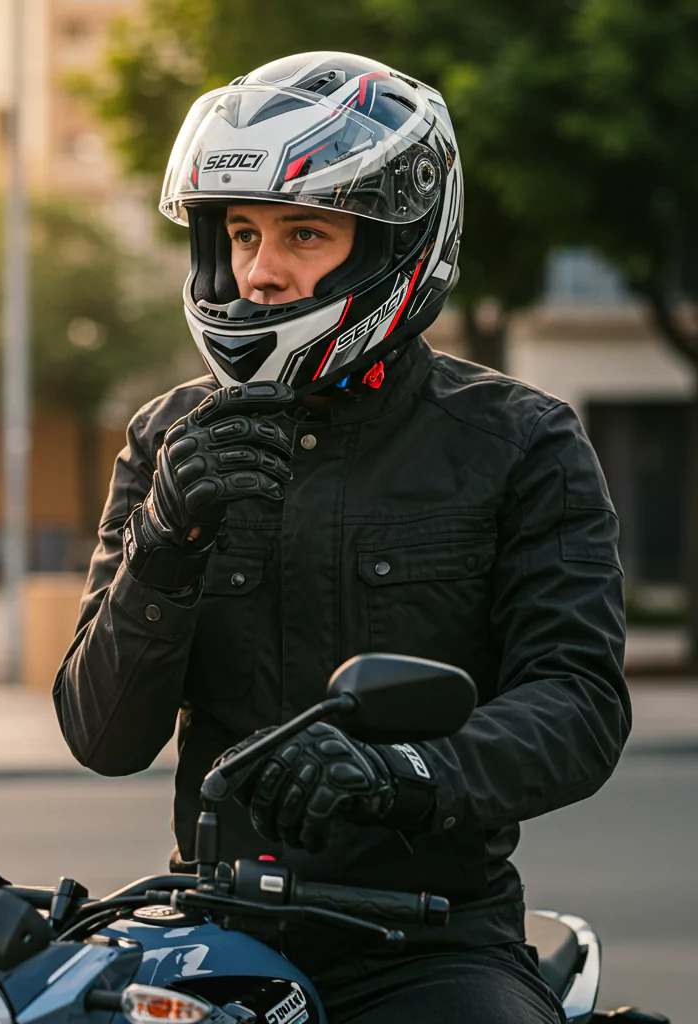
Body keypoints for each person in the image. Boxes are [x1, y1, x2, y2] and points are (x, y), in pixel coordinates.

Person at [54, 52, 629, 1023]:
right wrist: (166, 540)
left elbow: (577, 704)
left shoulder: (518, 442)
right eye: (241, 233)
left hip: (428, 940)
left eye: (303, 232)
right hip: (209, 926)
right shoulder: (168, 438)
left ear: (394, 243)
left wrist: (406, 773)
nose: (261, 271)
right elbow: (103, 736)